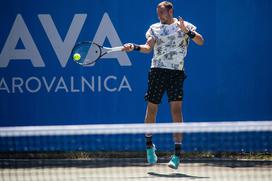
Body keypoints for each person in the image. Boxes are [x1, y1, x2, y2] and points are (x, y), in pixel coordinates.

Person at [122, 1, 204, 169]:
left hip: (176, 73)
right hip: (157, 71)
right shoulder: (154, 28)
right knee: (152, 109)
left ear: (170, 11)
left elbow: (201, 41)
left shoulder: (184, 25)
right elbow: (147, 48)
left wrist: (186, 31)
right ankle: (149, 146)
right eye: (157, 13)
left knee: (176, 111)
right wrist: (134, 47)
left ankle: (177, 155)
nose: (159, 16)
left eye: (162, 12)